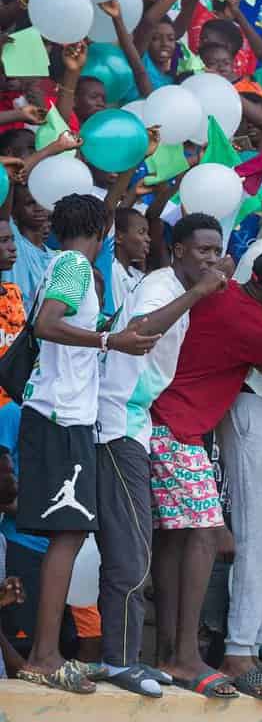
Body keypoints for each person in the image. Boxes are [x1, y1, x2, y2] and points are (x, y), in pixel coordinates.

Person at [148, 246, 262, 698]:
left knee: (176, 540)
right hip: (178, 427)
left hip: (167, 419)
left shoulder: (223, 288)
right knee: (208, 534)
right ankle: (193, 657)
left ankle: (173, 654)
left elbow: (225, 277)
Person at [14, 195, 160, 694]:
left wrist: (105, 334)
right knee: (68, 534)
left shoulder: (65, 264)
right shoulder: (74, 265)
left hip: (65, 415)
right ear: (102, 231)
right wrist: (109, 341)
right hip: (60, 416)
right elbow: (46, 324)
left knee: (70, 534)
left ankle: (46, 653)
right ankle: (44, 657)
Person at [93, 213, 231, 697]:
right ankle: (123, 662)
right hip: (117, 423)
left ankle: (142, 659)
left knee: (144, 546)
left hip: (138, 423)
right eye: (202, 251)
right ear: (176, 252)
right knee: (131, 552)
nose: (211, 260)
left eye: (216, 251)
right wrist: (197, 292)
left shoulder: (175, 287)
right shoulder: (161, 287)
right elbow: (138, 332)